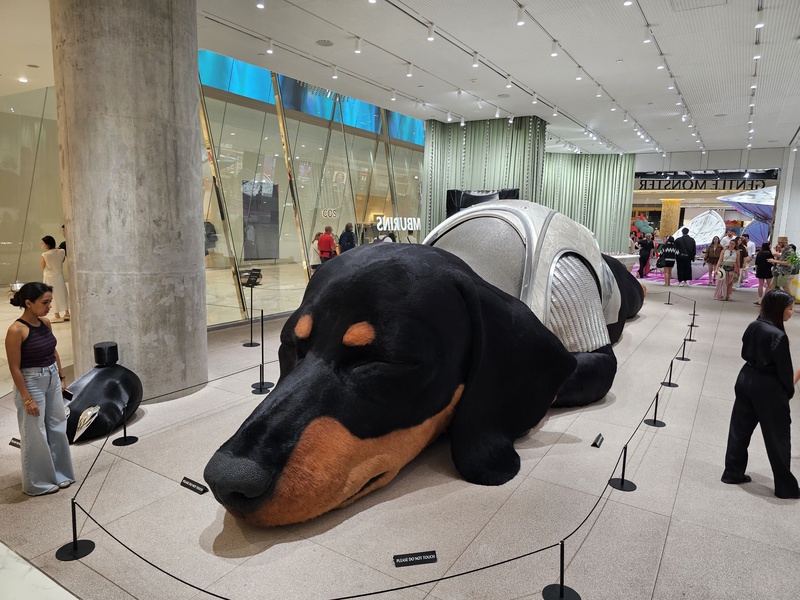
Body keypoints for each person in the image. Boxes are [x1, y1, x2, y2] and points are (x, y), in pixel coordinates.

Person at [721, 289, 800, 499]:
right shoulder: (778, 336)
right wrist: (789, 392)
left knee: (739, 429)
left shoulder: (754, 325)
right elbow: (784, 370)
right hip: (768, 388)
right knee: (778, 437)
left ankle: (732, 472)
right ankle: (785, 487)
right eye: (790, 308)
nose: (792, 312)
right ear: (779, 309)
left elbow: (743, 351)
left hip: (746, 378)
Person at [5, 282, 75, 496]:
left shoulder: (45, 323)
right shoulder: (16, 330)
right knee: (35, 431)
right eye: (45, 302)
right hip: (31, 381)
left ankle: (61, 473)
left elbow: (53, 350)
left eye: (50, 301)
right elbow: (15, 368)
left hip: (52, 377)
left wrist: (62, 377)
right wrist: (26, 398)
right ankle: (38, 482)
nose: (49, 306)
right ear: (28, 303)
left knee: (56, 425)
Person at [40, 235, 70, 322]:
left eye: (43, 243)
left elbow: (42, 266)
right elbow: (62, 260)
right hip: (59, 275)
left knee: (52, 295)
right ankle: (67, 313)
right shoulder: (61, 251)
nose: (42, 245)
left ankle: (57, 315)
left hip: (49, 277)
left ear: (47, 244)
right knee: (62, 293)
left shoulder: (45, 255)